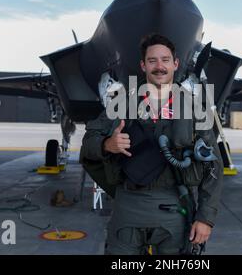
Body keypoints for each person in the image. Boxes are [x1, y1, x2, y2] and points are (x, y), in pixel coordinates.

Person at [80, 34, 223, 255]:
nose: (159, 66)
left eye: (165, 60)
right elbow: (88, 145)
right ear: (143, 65)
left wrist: (206, 218)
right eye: (152, 60)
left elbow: (214, 167)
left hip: (176, 209)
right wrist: (107, 144)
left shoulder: (195, 108)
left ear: (175, 64)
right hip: (128, 207)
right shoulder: (121, 103)